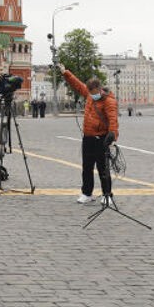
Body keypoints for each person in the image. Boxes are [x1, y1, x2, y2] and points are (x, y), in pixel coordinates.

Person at [58, 64, 119, 203]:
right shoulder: (90, 95)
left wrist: (113, 135)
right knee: (87, 167)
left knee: (103, 168)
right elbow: (78, 85)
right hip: (88, 137)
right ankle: (87, 193)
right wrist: (65, 72)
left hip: (101, 138)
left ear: (99, 89)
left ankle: (107, 194)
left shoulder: (109, 101)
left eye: (93, 93)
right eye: (90, 93)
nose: (91, 95)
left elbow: (113, 120)